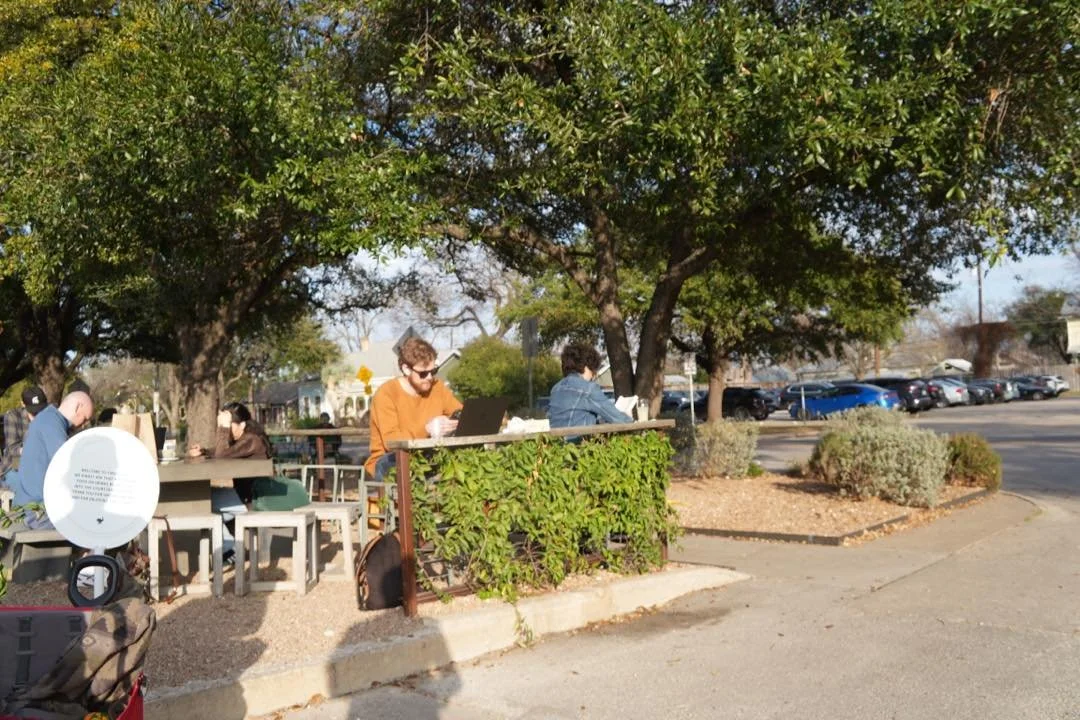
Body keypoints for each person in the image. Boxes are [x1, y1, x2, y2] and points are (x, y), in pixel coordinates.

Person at [366, 336, 463, 482]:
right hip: (389, 458)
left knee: (461, 461)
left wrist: (452, 424)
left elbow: (462, 414)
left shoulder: (437, 387)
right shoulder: (386, 394)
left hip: (429, 454)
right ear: (406, 369)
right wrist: (428, 429)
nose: (429, 377)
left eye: (433, 371)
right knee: (402, 464)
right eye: (423, 373)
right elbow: (391, 442)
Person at [187, 401, 273, 559]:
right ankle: (229, 549)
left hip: (254, 500)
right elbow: (223, 452)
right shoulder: (243, 440)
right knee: (204, 502)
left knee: (202, 500)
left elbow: (221, 456)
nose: (225, 429)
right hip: (245, 497)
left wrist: (223, 429)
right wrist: (203, 451)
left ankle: (229, 550)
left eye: (228, 424)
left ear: (242, 425)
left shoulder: (252, 440)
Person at [7, 391, 95, 529]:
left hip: (29, 506)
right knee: (92, 524)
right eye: (84, 418)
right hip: (37, 512)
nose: (83, 424)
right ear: (77, 407)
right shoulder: (52, 423)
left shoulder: (48, 418)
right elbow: (66, 467)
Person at [547, 343, 632, 429]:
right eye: (593, 369)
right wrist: (629, 418)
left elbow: (575, 417)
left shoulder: (556, 389)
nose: (593, 375)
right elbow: (619, 419)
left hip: (557, 437)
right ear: (586, 367)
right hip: (580, 437)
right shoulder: (588, 389)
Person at [0, 385, 50, 483]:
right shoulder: (13, 416)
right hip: (14, 465)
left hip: (41, 465)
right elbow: (12, 449)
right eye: (33, 411)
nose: (37, 414)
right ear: (23, 404)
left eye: (41, 409)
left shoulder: (50, 415)